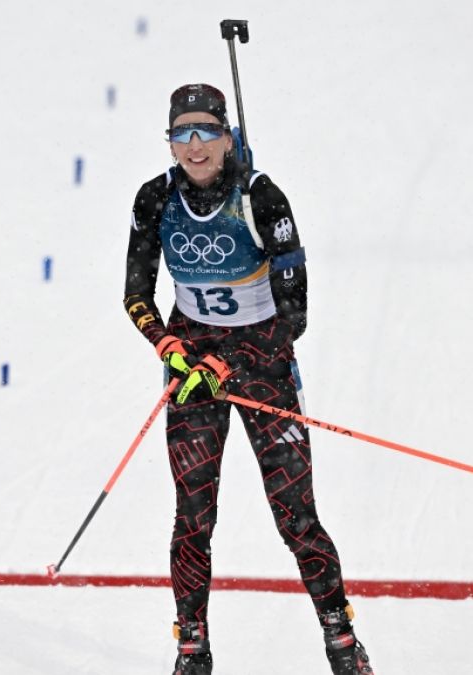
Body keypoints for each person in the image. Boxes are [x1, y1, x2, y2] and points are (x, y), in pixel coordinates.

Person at [123, 83, 375, 675]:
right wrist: (166, 342)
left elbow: (295, 316)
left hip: (261, 366)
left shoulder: (263, 197)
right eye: (181, 133)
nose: (194, 145)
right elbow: (136, 293)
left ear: (227, 135)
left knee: (295, 514)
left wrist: (228, 362)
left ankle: (342, 641)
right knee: (193, 516)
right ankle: (192, 648)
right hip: (192, 369)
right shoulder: (153, 199)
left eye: (205, 131)